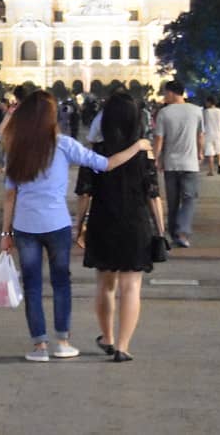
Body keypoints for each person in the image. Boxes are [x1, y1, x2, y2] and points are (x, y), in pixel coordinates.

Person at [0, 90, 149, 362]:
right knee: (61, 284)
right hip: (56, 224)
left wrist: (5, 233)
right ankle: (62, 341)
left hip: (25, 226)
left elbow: (10, 195)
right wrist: (138, 147)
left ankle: (39, 346)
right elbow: (105, 164)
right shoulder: (64, 144)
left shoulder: (16, 148)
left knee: (32, 285)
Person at [81, 93, 165, 362]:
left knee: (105, 284)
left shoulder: (95, 151)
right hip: (135, 222)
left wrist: (78, 224)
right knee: (131, 287)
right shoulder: (144, 151)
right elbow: (153, 195)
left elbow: (84, 193)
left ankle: (107, 337)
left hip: (103, 220)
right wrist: (161, 231)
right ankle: (123, 346)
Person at [153, 80, 204, 248]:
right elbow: (200, 136)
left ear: (172, 93)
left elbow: (159, 139)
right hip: (190, 163)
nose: (164, 96)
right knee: (189, 198)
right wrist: (200, 152)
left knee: (173, 200)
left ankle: (175, 232)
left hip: (171, 163)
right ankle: (182, 232)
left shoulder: (164, 113)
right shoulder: (197, 111)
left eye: (165, 93)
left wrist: (156, 158)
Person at [202, 96, 220, 175]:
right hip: (218, 132)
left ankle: (211, 170)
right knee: (219, 149)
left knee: (210, 152)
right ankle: (219, 164)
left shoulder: (206, 112)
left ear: (209, 102)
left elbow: (203, 122)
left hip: (208, 133)